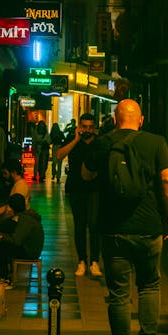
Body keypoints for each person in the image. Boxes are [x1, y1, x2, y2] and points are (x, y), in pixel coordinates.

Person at [82, 98, 168, 335]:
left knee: (119, 295)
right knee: (149, 286)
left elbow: (85, 175)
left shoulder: (104, 142)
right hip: (149, 228)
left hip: (113, 229)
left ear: (114, 119)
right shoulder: (156, 142)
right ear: (141, 120)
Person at [56, 113, 102, 278]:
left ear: (94, 127)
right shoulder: (72, 139)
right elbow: (59, 155)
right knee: (80, 225)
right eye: (84, 126)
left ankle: (95, 261)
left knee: (95, 225)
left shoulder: (99, 142)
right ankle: (82, 260)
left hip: (95, 189)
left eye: (90, 127)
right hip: (76, 188)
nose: (87, 130)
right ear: (79, 127)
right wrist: (75, 139)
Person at [0, 193, 44, 280]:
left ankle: (3, 277)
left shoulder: (25, 219)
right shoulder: (27, 216)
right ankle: (4, 275)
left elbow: (16, 240)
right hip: (31, 249)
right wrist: (1, 236)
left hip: (30, 251)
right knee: (1, 245)